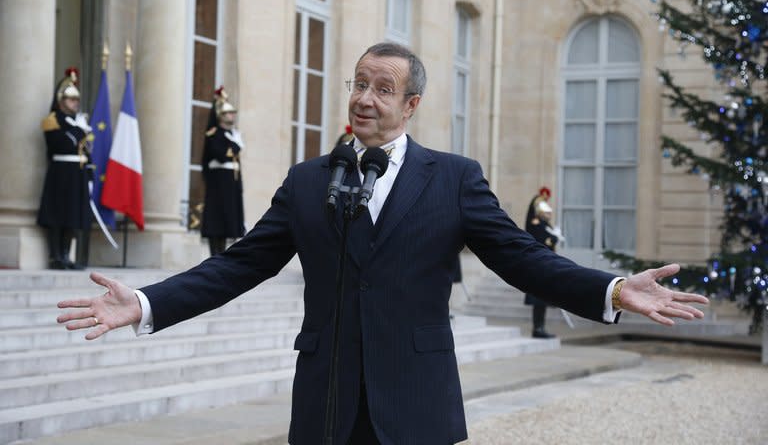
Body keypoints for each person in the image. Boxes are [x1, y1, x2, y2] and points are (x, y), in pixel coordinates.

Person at [57, 43, 709, 445]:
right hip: (325, 401)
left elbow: (519, 255)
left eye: (383, 88)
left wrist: (614, 288)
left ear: (412, 103)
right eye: (359, 83)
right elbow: (241, 264)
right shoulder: (309, 180)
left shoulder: (454, 179)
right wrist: (144, 304)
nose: (365, 98)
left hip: (415, 401)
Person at [38, 67, 93, 270]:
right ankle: (56, 257)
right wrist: (79, 130)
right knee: (58, 216)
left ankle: (67, 256)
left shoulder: (78, 123)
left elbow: (86, 151)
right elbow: (59, 145)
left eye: (76, 100)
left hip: (76, 174)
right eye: (71, 99)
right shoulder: (53, 121)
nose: (75, 103)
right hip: (60, 173)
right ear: (61, 101)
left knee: (72, 216)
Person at [201, 86, 246, 256]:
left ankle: (224, 254)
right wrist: (234, 146)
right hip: (219, 182)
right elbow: (220, 155)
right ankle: (215, 254)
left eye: (233, 112)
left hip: (231, 182)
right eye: (228, 113)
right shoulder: (214, 134)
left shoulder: (233, 134)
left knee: (230, 221)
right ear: (220, 116)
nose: (232, 115)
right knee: (216, 220)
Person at [523, 187, 561, 338]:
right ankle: (537, 328)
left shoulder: (544, 223)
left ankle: (540, 327)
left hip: (545, 264)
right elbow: (541, 241)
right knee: (539, 299)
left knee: (543, 299)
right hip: (538, 265)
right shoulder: (535, 223)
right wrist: (552, 239)